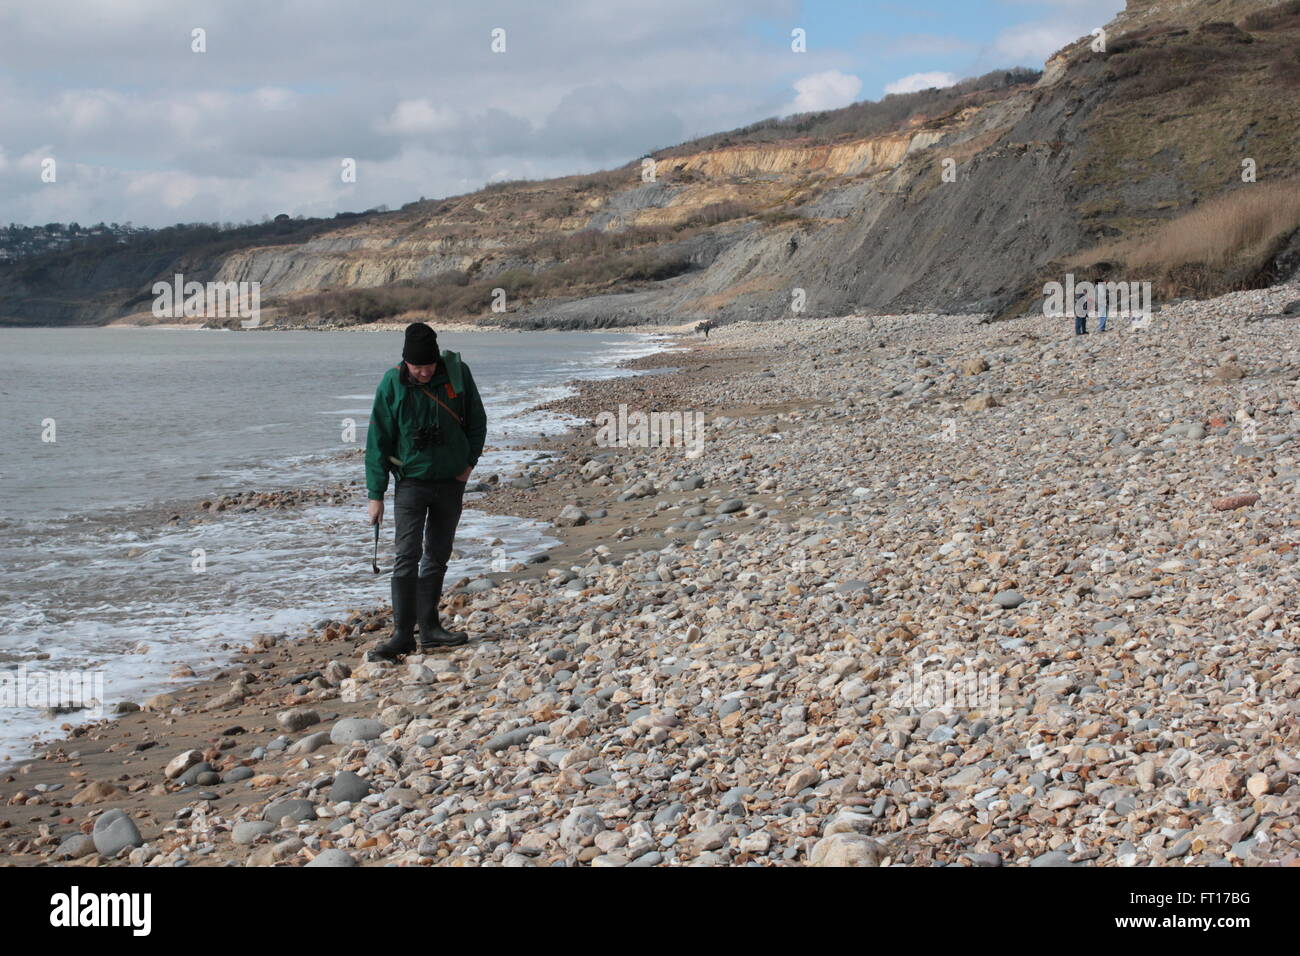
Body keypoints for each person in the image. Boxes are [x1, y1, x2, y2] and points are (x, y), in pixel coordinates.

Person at [366, 322, 487, 659]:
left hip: (451, 481)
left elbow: (478, 421)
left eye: (428, 366)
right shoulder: (392, 383)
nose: (422, 372)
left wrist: (468, 466)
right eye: (416, 367)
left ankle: (431, 629)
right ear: (405, 362)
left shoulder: (457, 374)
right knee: (406, 555)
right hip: (411, 483)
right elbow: (377, 441)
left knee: (437, 553)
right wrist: (375, 495)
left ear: (437, 360)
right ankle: (402, 634)